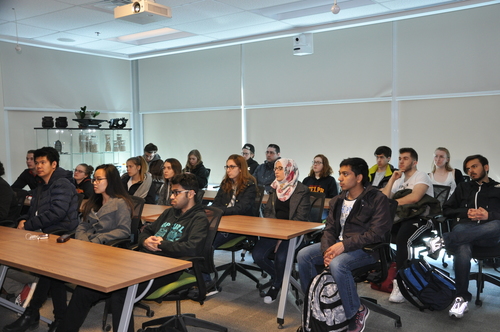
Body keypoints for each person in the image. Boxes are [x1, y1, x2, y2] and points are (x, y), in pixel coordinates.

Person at [56, 173, 209, 332]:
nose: (171, 196)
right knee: (85, 289)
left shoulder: (199, 218)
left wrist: (162, 244)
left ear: (191, 194)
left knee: (121, 293)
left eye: (176, 192)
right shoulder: (170, 212)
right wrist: (145, 241)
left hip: (167, 267)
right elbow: (145, 230)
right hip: (142, 261)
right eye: (172, 192)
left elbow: (193, 248)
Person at [297, 157, 392, 332]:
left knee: (338, 263)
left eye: (345, 174)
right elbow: (330, 229)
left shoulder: (377, 199)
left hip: (366, 250)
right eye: (340, 173)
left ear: (359, 177)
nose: (339, 178)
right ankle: (314, 304)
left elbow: (376, 234)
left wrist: (343, 246)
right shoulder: (338, 200)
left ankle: (356, 311)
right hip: (338, 247)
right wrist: (327, 251)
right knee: (304, 255)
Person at [3, 147, 80, 332]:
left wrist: (28, 225)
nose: (38, 166)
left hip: (62, 237)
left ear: (54, 164)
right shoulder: (40, 187)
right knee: (52, 277)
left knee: (48, 274)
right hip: (43, 236)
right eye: (36, 162)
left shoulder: (62, 184)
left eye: (42, 162)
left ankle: (31, 314)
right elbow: (32, 212)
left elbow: (57, 213)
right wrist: (23, 220)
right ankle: (58, 320)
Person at [426, 154, 500, 319]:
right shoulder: (463, 187)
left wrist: (489, 215)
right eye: (468, 169)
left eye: (474, 166)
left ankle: (444, 240)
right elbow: (446, 210)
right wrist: (466, 212)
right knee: (463, 248)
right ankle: (461, 298)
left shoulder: (498, 188)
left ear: (486, 167)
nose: (470, 171)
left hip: (489, 232)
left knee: (496, 224)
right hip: (464, 228)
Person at [252, 158, 310, 304]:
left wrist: (282, 237)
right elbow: (269, 214)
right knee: (257, 255)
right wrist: (276, 235)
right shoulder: (274, 187)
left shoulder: (302, 190)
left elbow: (300, 219)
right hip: (275, 231)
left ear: (289, 170)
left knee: (281, 258)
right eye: (275, 169)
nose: (275, 171)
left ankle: (276, 286)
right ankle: (282, 277)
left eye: (279, 169)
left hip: (295, 233)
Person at [381, 147, 433, 303]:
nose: (401, 161)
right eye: (400, 158)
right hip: (401, 219)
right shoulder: (399, 180)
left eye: (405, 158)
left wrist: (391, 203)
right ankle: (383, 273)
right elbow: (384, 198)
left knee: (404, 239)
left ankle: (402, 282)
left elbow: (415, 198)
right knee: (379, 232)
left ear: (415, 162)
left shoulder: (421, 176)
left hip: (422, 219)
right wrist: (391, 179)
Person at [212, 154, 257, 248]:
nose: (228, 170)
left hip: (240, 225)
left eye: (232, 167)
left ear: (240, 168)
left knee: (210, 242)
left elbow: (241, 208)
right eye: (227, 167)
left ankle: (207, 263)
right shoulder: (225, 183)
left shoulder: (249, 185)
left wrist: (220, 211)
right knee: (201, 238)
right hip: (223, 221)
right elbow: (216, 203)